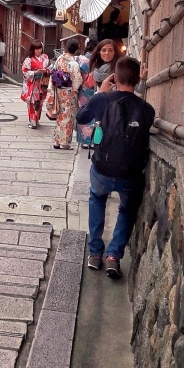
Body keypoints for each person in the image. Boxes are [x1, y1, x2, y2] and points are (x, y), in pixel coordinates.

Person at [76, 56, 155, 279]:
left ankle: (95, 253)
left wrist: (100, 92)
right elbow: (142, 118)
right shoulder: (147, 109)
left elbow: (81, 117)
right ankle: (114, 256)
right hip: (131, 173)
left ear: (115, 77)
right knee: (127, 209)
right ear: (139, 78)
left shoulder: (104, 99)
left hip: (102, 168)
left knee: (97, 199)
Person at [46, 39, 83, 149]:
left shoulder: (59, 59)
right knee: (67, 118)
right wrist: (75, 90)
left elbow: (54, 74)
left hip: (58, 91)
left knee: (59, 117)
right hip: (69, 93)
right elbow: (77, 80)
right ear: (76, 50)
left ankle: (57, 141)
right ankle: (65, 143)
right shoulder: (74, 64)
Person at [21, 40, 50, 128]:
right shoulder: (29, 60)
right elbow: (25, 71)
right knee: (32, 103)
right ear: (32, 50)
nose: (38, 51)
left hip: (42, 83)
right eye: (36, 49)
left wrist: (46, 70)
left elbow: (50, 67)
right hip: (33, 84)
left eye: (40, 48)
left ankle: (36, 119)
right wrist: (35, 72)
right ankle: (32, 121)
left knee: (40, 102)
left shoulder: (45, 57)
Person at [76, 38, 97, 147]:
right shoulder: (98, 60)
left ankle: (84, 141)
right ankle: (93, 140)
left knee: (83, 111)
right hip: (95, 88)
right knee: (94, 113)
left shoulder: (80, 59)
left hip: (83, 89)